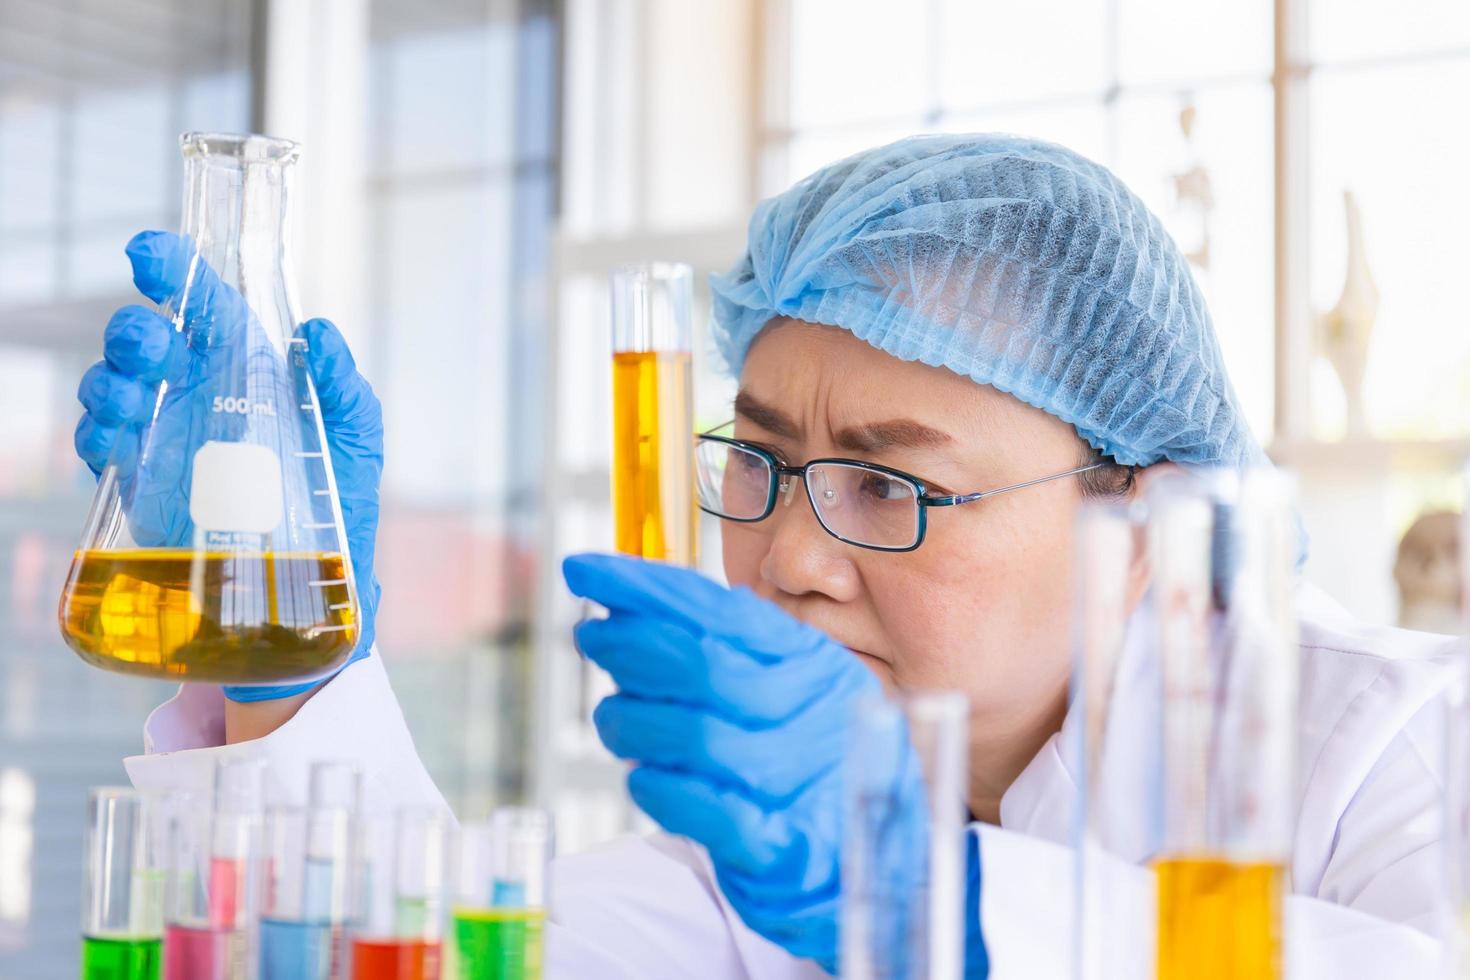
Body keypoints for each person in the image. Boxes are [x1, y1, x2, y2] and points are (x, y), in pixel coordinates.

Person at [77, 135, 1455, 978]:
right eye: (757, 458)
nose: (788, 552)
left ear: (1145, 527)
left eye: (888, 482)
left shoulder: (1395, 748)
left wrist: (926, 895)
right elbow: (423, 961)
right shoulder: (772, 837)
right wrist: (280, 651)